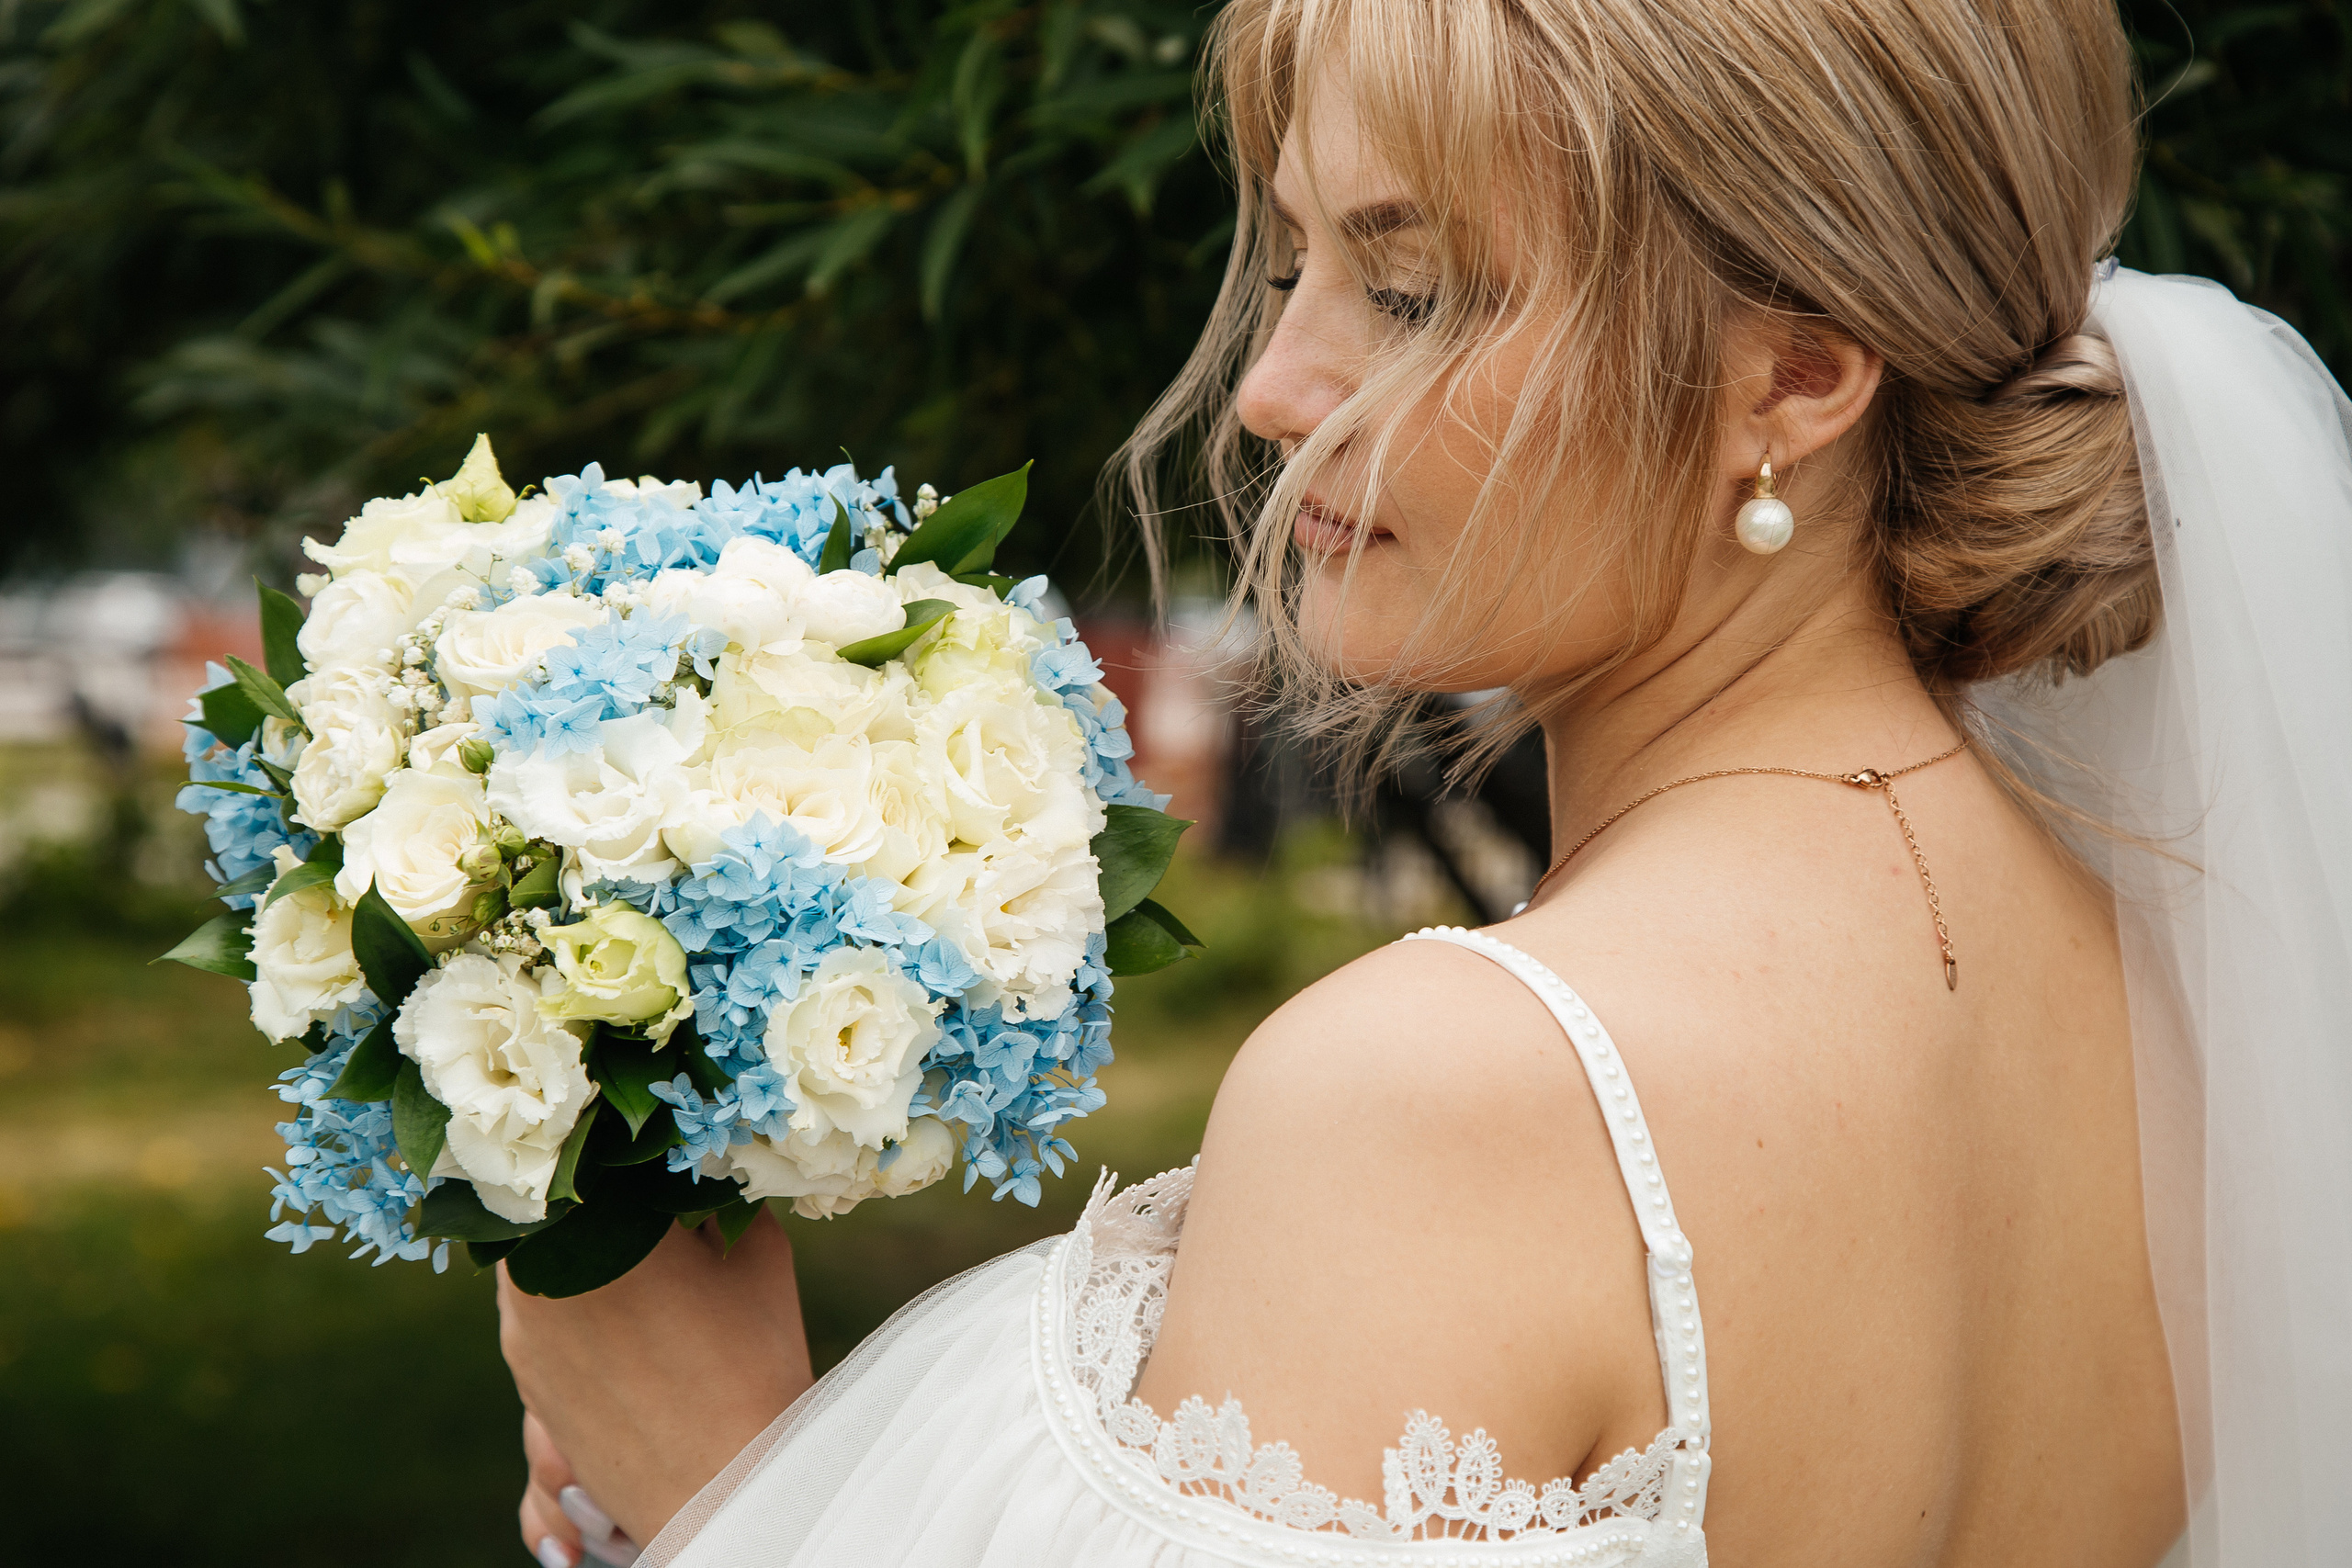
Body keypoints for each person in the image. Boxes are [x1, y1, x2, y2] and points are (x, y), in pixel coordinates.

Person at [495, 1, 2352, 1565]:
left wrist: (719, 1480)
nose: (1274, 386)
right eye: (1296, 260)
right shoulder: (2180, 1010)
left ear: (1792, 372)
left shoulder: (1459, 1094)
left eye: (1403, 288)